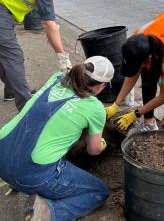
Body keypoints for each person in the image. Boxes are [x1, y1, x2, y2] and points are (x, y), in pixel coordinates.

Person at [0, 56, 114, 220]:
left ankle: (20, 182)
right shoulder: (95, 108)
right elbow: (93, 150)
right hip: (31, 173)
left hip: (3, 151)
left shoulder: (56, 78)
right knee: (98, 192)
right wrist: (101, 144)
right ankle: (47, 212)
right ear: (101, 86)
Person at [0, 0, 87, 111]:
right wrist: (63, 57)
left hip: (4, 5)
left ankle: (12, 89)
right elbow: (49, 24)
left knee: (4, 52)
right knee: (13, 56)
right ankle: (27, 110)